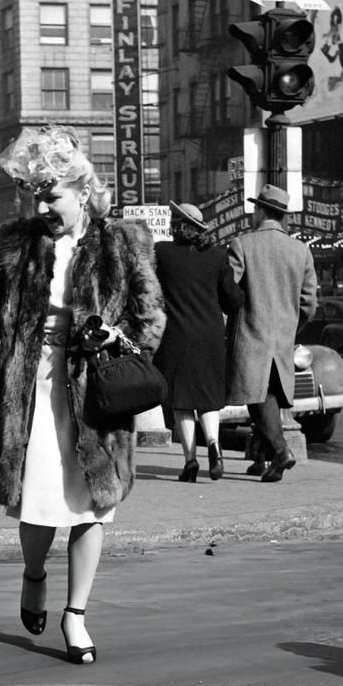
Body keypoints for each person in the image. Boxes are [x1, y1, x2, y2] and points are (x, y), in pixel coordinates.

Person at [0, 126, 165, 665]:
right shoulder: (15, 243)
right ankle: (34, 575)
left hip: (96, 393)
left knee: (92, 508)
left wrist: (115, 335)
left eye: (52, 195)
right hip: (31, 390)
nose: (42, 205)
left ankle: (76, 615)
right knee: (36, 504)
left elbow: (150, 317)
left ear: (82, 191)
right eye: (36, 194)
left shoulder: (122, 242)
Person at [226, 183, 318, 483]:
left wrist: (233, 316)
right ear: (283, 217)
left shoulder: (242, 244)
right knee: (271, 396)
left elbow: (229, 291)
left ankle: (281, 451)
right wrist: (291, 325)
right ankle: (263, 458)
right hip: (283, 337)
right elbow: (309, 304)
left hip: (252, 332)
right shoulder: (300, 250)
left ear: (261, 211)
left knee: (257, 396)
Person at [153, 202, 244, 482]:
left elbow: (150, 289)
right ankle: (214, 446)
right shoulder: (217, 256)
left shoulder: (162, 253)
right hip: (210, 336)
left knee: (180, 401)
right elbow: (233, 300)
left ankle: (190, 461)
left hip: (175, 336)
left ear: (178, 225)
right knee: (207, 398)